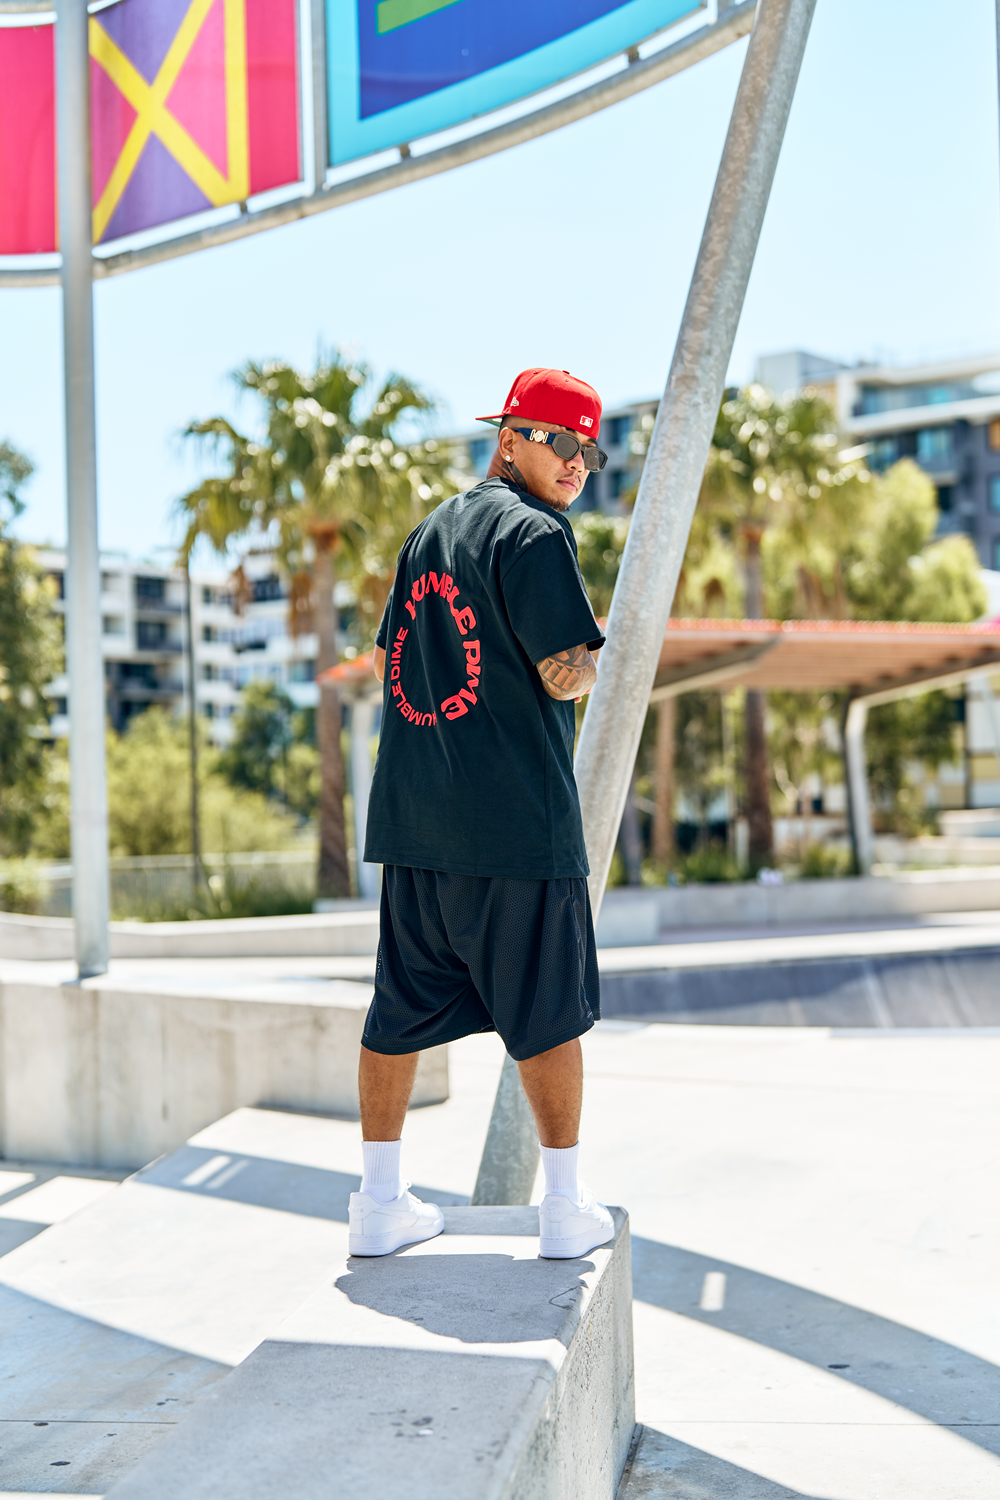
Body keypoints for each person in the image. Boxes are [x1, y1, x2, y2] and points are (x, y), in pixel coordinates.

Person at [348, 367, 614, 1261]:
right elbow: (560, 673)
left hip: (417, 823)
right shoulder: (536, 534)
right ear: (511, 438)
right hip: (515, 825)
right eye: (562, 443)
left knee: (397, 1013)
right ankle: (565, 1209)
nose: (579, 464)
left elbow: (395, 651)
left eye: (592, 450)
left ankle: (378, 1203)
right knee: (550, 1017)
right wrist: (595, 653)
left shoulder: (428, 533)